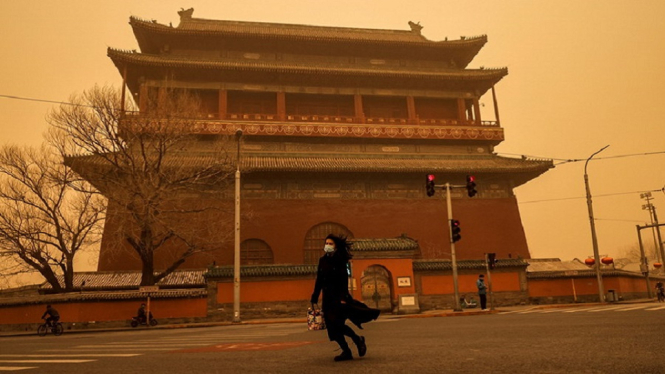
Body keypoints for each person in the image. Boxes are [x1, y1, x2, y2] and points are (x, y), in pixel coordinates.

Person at [311, 234, 380, 362]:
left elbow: (343, 280)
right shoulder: (323, 260)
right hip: (327, 299)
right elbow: (319, 279)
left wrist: (343, 297)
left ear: (336, 246)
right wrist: (315, 296)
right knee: (332, 329)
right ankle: (347, 350)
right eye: (326, 243)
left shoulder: (341, 260)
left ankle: (356, 340)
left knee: (337, 324)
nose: (327, 246)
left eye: (330, 244)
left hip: (338, 297)